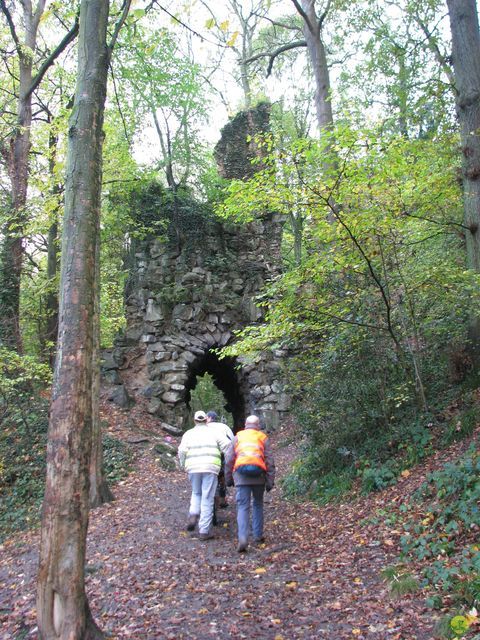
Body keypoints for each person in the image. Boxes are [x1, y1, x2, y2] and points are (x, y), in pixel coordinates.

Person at [225, 414, 275, 552]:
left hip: (241, 477)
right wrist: (270, 481)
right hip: (259, 476)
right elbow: (269, 460)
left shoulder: (238, 437)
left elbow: (229, 458)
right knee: (258, 504)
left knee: (242, 507)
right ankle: (258, 535)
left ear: (245, 425)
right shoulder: (262, 438)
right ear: (258, 425)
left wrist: (228, 478)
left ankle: (243, 538)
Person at [178, 410, 231, 541]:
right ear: (205, 420)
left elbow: (181, 450)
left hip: (193, 467)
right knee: (207, 497)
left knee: (196, 493)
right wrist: (227, 459)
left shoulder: (188, 434)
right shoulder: (214, 432)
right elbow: (228, 445)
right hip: (210, 467)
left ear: (195, 420)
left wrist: (183, 464)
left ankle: (193, 513)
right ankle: (204, 531)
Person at [206, 410, 234, 511]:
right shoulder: (224, 427)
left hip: (207, 456)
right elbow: (232, 440)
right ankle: (222, 499)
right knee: (222, 475)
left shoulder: (202, 427)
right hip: (221, 455)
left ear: (208, 418)